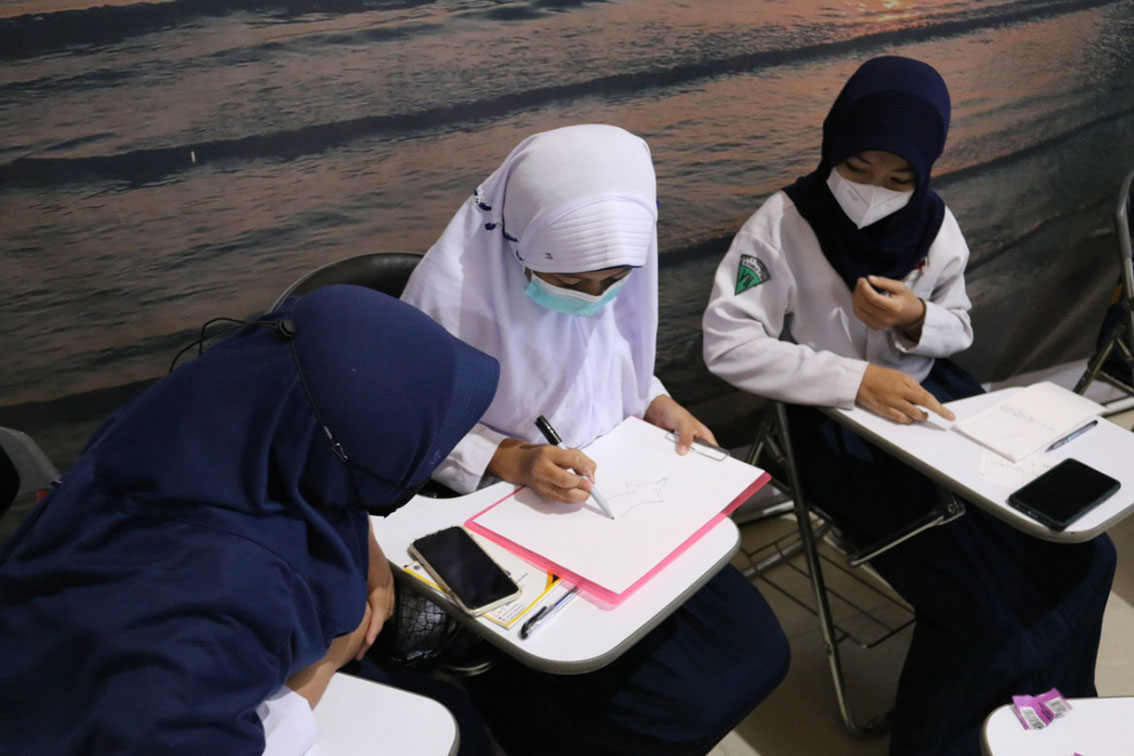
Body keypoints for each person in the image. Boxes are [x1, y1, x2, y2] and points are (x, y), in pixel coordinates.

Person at [702, 56, 1116, 754]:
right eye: (857, 167)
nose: (874, 191)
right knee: (982, 601)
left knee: (1086, 556)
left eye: (899, 178)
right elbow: (727, 342)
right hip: (834, 426)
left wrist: (918, 317)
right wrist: (852, 379)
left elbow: (961, 324)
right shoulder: (784, 222)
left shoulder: (933, 223)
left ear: (924, 172)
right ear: (833, 145)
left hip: (934, 401)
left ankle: (1053, 721)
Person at [401, 123, 790, 756]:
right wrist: (511, 457)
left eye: (612, 280)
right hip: (503, 520)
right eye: (571, 282)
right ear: (519, 238)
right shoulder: (451, 296)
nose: (595, 297)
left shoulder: (613, 273)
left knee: (757, 651)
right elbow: (406, 425)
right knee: (663, 712)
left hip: (614, 504)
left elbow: (615, 353)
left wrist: (656, 401)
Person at [0, 285, 500, 755]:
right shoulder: (208, 608)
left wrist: (366, 554)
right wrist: (328, 662)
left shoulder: (201, 411)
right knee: (455, 720)